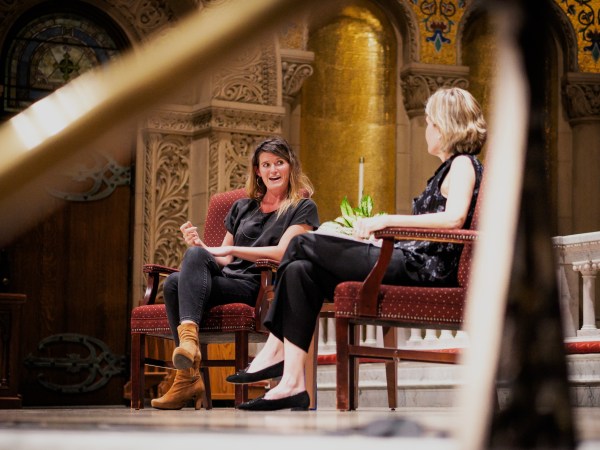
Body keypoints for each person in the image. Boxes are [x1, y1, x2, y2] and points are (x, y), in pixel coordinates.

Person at [227, 87, 487, 411]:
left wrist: (385, 220)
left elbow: (455, 219)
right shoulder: (449, 167)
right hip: (408, 256)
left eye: (431, 123)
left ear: (447, 126)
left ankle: (272, 349)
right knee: (299, 269)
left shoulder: (462, 163)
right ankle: (292, 383)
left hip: (421, 268)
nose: (428, 130)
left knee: (301, 242)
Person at [151, 137, 319, 410]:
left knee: (176, 281)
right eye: (266, 164)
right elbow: (225, 256)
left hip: (257, 285)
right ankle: (187, 372)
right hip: (228, 278)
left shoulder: (302, 207)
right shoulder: (243, 207)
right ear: (257, 171)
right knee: (173, 281)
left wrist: (233, 250)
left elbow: (281, 253)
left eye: (279, 163)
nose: (273, 170)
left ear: (290, 167)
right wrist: (201, 247)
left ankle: (186, 372)